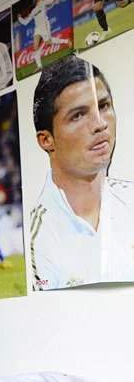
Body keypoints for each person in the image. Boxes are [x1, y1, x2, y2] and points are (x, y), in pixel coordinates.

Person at [30, 55, 134, 291]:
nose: (100, 124)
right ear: (46, 140)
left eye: (104, 106)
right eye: (78, 115)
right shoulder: (38, 239)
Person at [16, 0, 71, 71]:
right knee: (35, 47)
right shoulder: (33, 11)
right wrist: (19, 18)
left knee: (48, 42)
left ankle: (67, 41)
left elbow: (52, 0)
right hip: (37, 29)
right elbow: (25, 22)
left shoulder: (43, 2)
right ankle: (39, 66)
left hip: (45, 25)